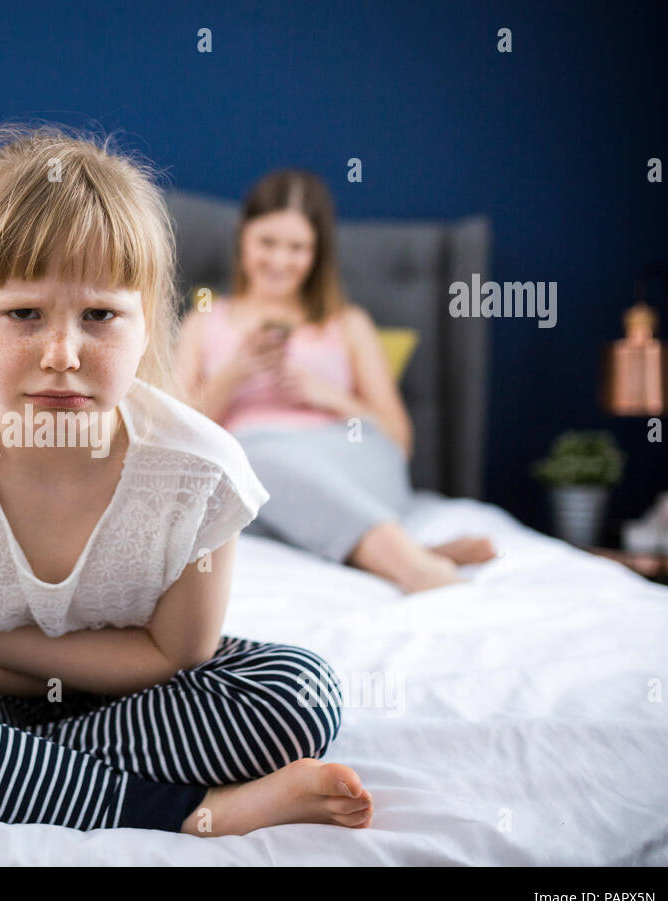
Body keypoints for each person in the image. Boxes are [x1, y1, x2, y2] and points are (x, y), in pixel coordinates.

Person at [0, 123, 373, 837]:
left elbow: (177, 656)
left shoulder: (202, 468)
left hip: (150, 703)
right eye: (23, 314)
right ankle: (193, 810)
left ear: (146, 320)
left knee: (298, 696)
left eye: (100, 315)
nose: (62, 352)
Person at [172, 169, 495, 592]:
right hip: (254, 471)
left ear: (317, 252)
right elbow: (176, 437)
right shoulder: (204, 321)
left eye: (298, 247)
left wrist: (328, 396)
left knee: (255, 472)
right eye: (267, 242)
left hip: (351, 458)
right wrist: (235, 374)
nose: (280, 260)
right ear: (243, 238)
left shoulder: (349, 323)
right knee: (247, 469)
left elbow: (399, 438)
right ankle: (405, 553)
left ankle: (402, 560)